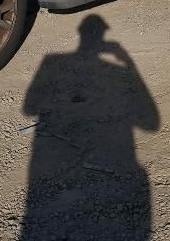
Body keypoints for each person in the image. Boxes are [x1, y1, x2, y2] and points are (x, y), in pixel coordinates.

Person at [21, 15, 160, 240]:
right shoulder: (113, 69)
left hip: (49, 169)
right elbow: (151, 124)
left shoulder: (52, 62)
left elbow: (29, 108)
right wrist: (128, 63)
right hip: (105, 167)